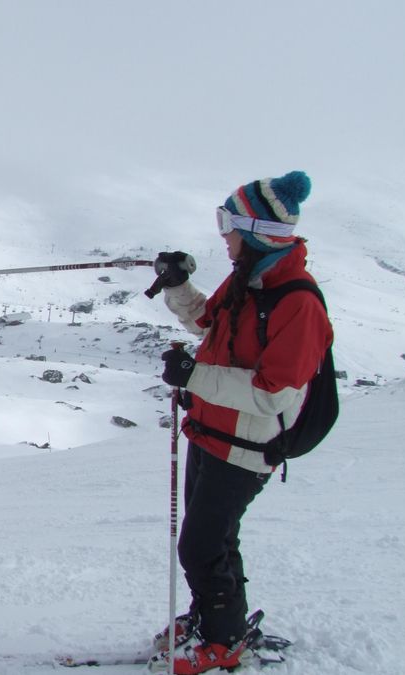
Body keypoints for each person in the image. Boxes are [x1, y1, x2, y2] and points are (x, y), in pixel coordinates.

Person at [150, 171, 333, 674]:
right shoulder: (251, 278)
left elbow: (274, 393)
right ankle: (212, 618)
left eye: (227, 223)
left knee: (201, 544)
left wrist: (194, 374)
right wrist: (178, 285)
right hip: (209, 434)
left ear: (256, 229)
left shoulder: (297, 302)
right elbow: (210, 323)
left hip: (247, 447)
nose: (222, 234)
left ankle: (225, 639)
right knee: (214, 538)